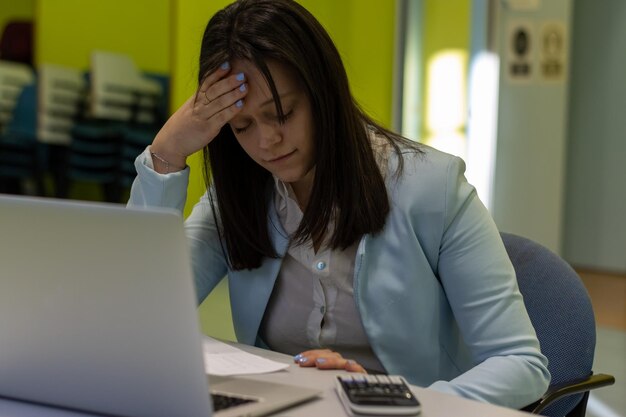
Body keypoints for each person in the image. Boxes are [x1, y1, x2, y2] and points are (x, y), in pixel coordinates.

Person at [128, 0, 550, 409]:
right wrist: (167, 153)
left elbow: (520, 364)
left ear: (323, 92)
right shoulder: (242, 195)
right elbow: (139, 311)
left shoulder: (433, 187)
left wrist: (389, 399)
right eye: (241, 126)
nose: (265, 141)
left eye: (282, 113)